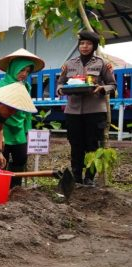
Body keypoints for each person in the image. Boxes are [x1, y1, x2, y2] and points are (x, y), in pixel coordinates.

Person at [57, 30, 117, 186]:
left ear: (94, 46)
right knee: (76, 145)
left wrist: (102, 89)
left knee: (92, 145)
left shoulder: (102, 63)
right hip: (73, 112)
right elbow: (60, 83)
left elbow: (112, 85)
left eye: (88, 43)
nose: (84, 46)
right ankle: (76, 177)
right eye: (82, 43)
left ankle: (89, 178)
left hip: (95, 111)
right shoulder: (69, 64)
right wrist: (60, 90)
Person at [0, 48, 45, 187]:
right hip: (2, 127)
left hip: (18, 128)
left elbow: (27, 110)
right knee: (1, 158)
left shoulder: (27, 86)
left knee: (21, 158)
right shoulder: (0, 85)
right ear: (13, 68)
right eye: (21, 70)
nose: (24, 74)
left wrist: (26, 130)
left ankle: (15, 187)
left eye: (27, 71)